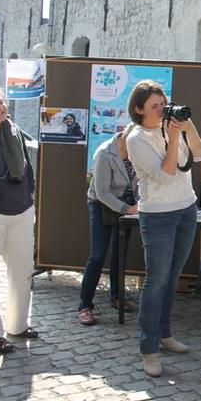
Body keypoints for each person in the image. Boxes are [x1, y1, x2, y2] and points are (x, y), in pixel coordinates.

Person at [125, 80, 201, 377]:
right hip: (158, 215)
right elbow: (167, 173)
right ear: (138, 109)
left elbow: (198, 154)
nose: (162, 110)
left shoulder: (171, 126)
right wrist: (172, 138)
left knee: (172, 278)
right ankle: (149, 349)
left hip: (186, 209)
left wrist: (186, 126)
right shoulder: (136, 139)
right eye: (155, 106)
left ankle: (165, 334)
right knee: (155, 281)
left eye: (163, 104)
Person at [77, 123, 140, 326]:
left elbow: (138, 182)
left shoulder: (137, 151)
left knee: (120, 253)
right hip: (101, 204)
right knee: (98, 254)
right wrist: (128, 209)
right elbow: (102, 192)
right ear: (125, 138)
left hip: (126, 203)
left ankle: (116, 296)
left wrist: (139, 203)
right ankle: (85, 305)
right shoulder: (105, 152)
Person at [0, 83, 39, 353]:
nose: (1, 108)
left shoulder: (13, 130)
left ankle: (18, 325)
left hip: (21, 210)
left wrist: (29, 196)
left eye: (1, 102)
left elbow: (27, 166)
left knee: (21, 272)